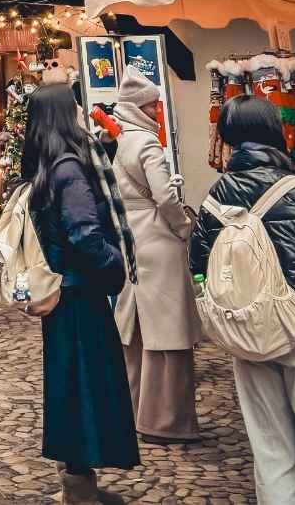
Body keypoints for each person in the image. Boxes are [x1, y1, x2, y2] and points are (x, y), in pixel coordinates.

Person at [190, 95, 295, 505]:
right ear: (272, 131)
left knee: (272, 450)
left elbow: (197, 262)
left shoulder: (215, 196)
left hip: (247, 337)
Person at [22, 83, 138, 505]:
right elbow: (84, 234)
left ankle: (77, 483)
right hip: (79, 294)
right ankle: (80, 492)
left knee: (71, 388)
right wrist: (114, 264)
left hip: (63, 293)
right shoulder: (69, 168)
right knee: (86, 389)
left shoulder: (45, 164)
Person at [111, 67, 200, 443]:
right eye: (151, 106)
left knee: (137, 333)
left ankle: (134, 410)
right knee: (169, 331)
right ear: (140, 108)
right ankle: (165, 419)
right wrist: (184, 228)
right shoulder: (147, 144)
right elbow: (164, 197)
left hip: (133, 239)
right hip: (159, 242)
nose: (155, 111)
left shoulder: (121, 140)